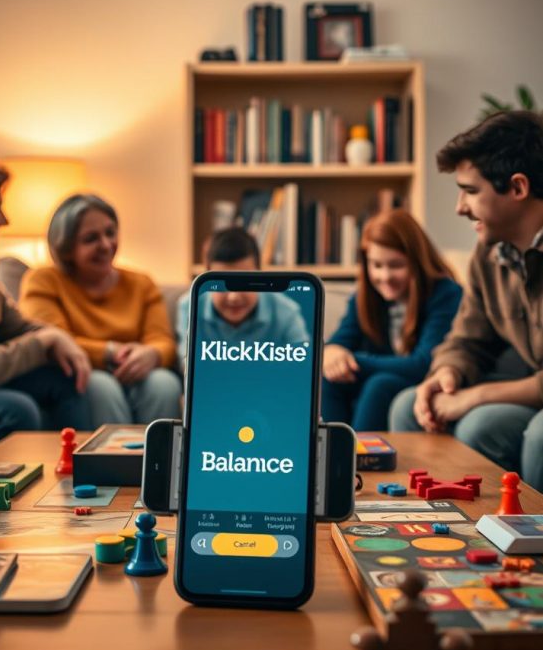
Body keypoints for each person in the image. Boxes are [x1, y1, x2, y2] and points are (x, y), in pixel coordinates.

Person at [389, 110, 543, 492]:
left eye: (470, 191)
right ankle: (430, 533)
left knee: (495, 426)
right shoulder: (488, 254)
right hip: (529, 392)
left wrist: (475, 396)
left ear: (518, 188)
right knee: (408, 405)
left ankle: (517, 543)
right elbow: (466, 338)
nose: (460, 207)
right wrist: (448, 375)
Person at [0, 142, 92, 444]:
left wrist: (59, 338)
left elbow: (16, 326)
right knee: (15, 409)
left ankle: (83, 475)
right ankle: (2, 492)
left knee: (65, 377)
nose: (4, 220)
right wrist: (43, 341)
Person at [19, 193, 181, 426]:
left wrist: (152, 354)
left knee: (164, 383)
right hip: (84, 373)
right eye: (91, 238)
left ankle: (163, 461)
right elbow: (51, 339)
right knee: (99, 386)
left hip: (138, 372)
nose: (106, 245)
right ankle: (113, 463)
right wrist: (110, 353)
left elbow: (161, 339)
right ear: (65, 248)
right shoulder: (42, 280)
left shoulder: (141, 283)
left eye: (110, 233)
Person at [322, 209, 462, 430]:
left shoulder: (446, 294)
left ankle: (361, 460)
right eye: (376, 265)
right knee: (328, 380)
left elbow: (424, 363)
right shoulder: (365, 297)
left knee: (380, 384)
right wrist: (331, 352)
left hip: (427, 381)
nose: (384, 277)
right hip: (386, 376)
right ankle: (328, 456)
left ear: (417, 261)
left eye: (396, 265)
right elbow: (340, 340)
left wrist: (353, 361)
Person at [175, 226, 310, 369]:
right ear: (206, 278)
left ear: (260, 274)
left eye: (244, 282)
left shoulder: (287, 310)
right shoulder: (189, 305)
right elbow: (187, 363)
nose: (233, 297)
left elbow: (303, 366)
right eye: (222, 284)